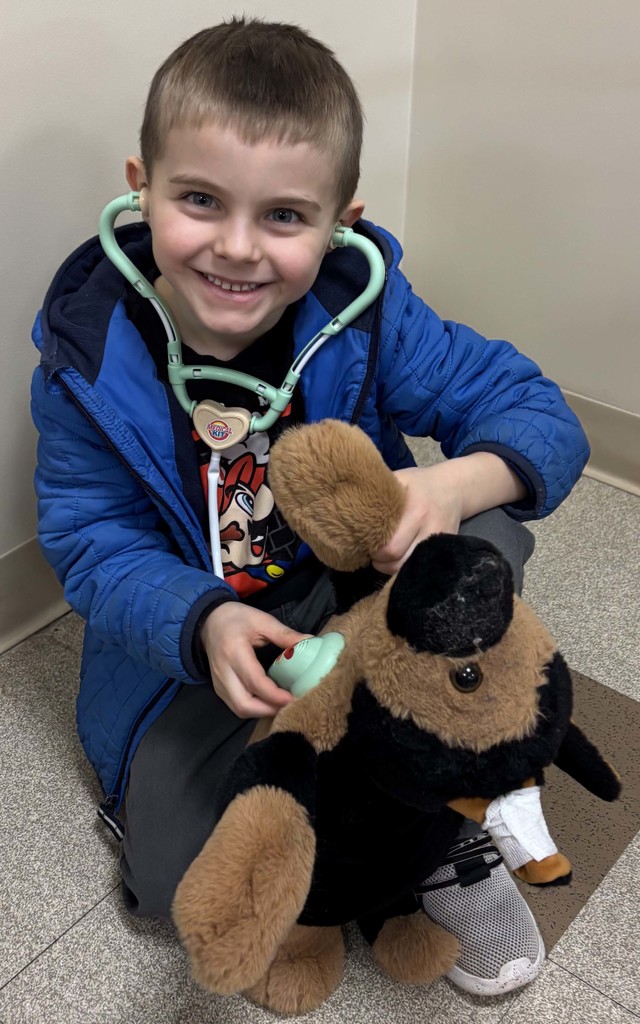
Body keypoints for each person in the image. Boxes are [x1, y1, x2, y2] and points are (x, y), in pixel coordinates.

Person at [31, 17, 589, 998]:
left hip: (359, 598)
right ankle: (332, 803)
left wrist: (451, 484)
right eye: (199, 200)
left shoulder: (369, 312)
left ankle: (443, 835)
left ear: (338, 222)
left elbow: (533, 411)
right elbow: (90, 538)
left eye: (285, 217)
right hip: (211, 639)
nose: (237, 249)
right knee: (169, 886)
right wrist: (201, 621)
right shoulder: (87, 358)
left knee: (482, 546)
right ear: (142, 185)